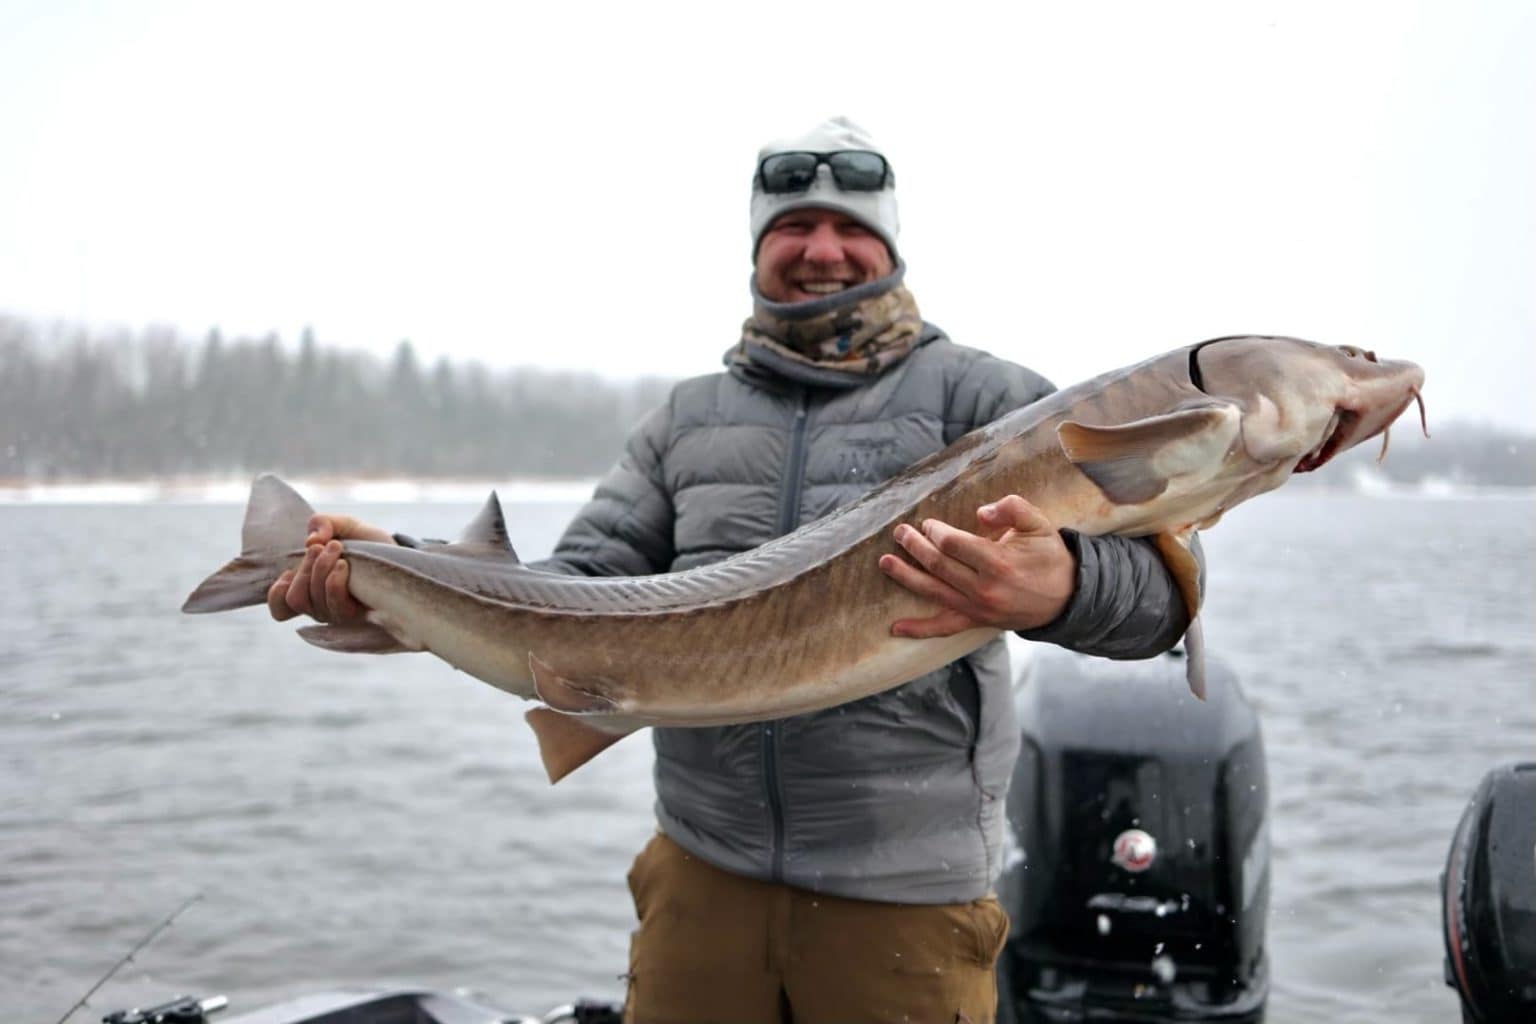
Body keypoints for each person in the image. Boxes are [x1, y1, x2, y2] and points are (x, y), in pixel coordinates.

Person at [269, 116, 1196, 1024]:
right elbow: (576, 583)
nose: (822, 250)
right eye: (794, 226)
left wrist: (1065, 588)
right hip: (700, 880)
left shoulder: (988, 403)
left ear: (890, 247)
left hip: (905, 903)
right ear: (758, 246)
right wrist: (400, 576)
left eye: (850, 228)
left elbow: (1164, 601)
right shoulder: (687, 420)